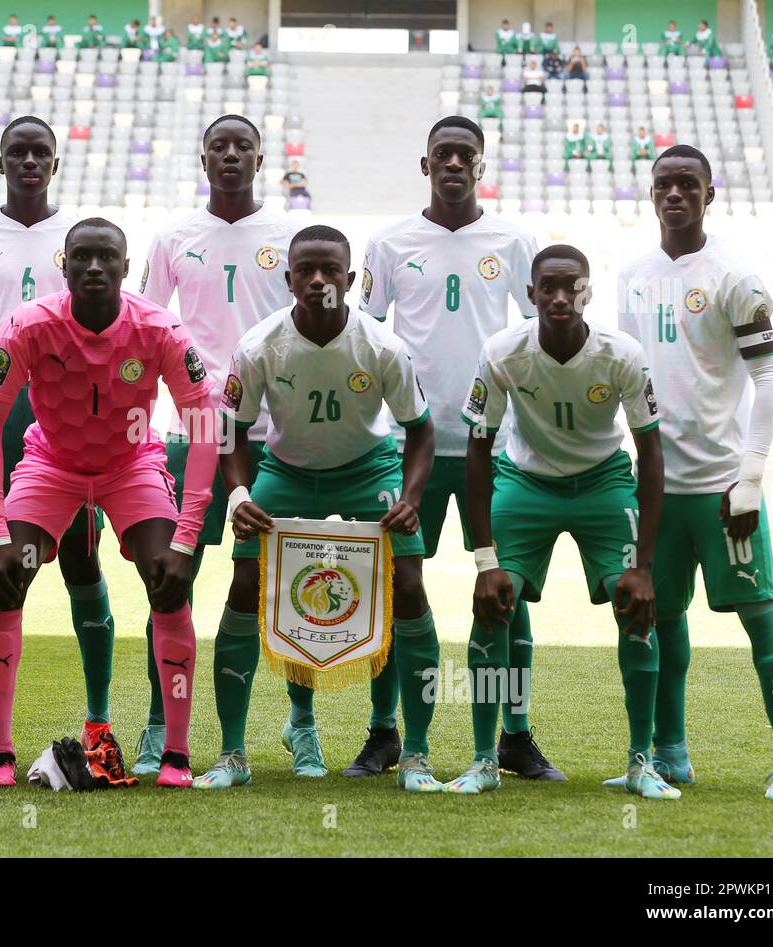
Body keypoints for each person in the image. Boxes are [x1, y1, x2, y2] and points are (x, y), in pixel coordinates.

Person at [0, 218, 219, 789]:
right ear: (64, 264)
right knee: (6, 580)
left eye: (107, 257)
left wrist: (186, 537)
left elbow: (204, 422)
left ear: (126, 267)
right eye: (81, 256)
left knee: (167, 583)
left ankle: (176, 756)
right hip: (52, 465)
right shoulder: (30, 324)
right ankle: (1, 754)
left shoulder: (159, 328)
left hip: (130, 466)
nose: (94, 267)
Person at [361, 117, 562, 780]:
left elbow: (538, 338)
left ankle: (516, 735)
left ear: (481, 165)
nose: (453, 163)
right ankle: (384, 733)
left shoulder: (513, 241)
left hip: (493, 446)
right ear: (425, 165)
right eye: (442, 154)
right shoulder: (390, 243)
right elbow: (367, 336)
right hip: (406, 444)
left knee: (508, 595)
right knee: (394, 591)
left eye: (465, 155)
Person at [211, 226, 443, 791]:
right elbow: (231, 431)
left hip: (369, 471)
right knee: (248, 585)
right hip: (287, 473)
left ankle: (413, 753)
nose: (318, 280)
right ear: (288, 279)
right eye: (306, 271)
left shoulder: (382, 347)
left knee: (407, 587)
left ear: (351, 279)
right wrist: (240, 496)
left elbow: (420, 429)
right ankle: (236, 752)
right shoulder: (259, 346)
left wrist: (410, 499)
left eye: (331, 270)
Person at [612, 145, 773, 799]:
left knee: (760, 614)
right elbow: (629, 377)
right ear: (651, 194)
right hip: (657, 489)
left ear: (709, 194)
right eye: (663, 184)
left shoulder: (734, 276)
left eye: (687, 184)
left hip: (723, 489)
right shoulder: (632, 275)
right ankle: (670, 754)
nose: (674, 194)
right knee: (660, 620)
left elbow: (770, 379)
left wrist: (750, 477)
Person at [450, 244, 673, 799]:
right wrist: (484, 560)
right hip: (525, 484)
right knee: (493, 604)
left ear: (587, 291)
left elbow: (651, 454)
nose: (559, 296)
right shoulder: (503, 351)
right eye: (547, 287)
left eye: (571, 286)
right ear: (530, 294)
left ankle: (641, 762)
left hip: (603, 482)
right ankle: (483, 760)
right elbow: (478, 450)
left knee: (635, 604)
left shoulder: (621, 354)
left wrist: (644, 566)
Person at [0, 117, 121, 750]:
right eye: (17, 152)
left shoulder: (79, 240)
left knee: (80, 557)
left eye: (39, 152)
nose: (28, 161)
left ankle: (98, 715)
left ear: (54, 163)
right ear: (0, 162)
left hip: (63, 415)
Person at [138, 114, 301, 778]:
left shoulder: (288, 236)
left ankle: (301, 724)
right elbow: (146, 329)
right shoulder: (174, 237)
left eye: (243, 146)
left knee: (280, 584)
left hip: (275, 434)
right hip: (196, 431)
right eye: (219, 146)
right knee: (171, 579)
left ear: (261, 159)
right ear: (202, 158)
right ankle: (158, 726)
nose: (231, 155)